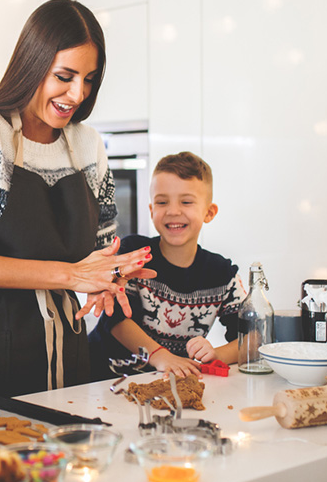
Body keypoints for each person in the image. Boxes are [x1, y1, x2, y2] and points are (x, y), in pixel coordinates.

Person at [0, 0, 154, 397]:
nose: (78, 94)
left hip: (67, 354)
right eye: (65, 76)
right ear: (33, 62)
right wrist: (71, 275)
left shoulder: (87, 144)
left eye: (90, 79)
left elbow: (99, 252)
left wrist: (110, 275)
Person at [88, 151, 244, 379]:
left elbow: (253, 335)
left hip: (165, 382)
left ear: (209, 212)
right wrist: (161, 356)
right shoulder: (133, 253)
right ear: (152, 211)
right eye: (162, 202)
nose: (173, 211)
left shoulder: (222, 274)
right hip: (102, 379)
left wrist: (215, 355)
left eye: (186, 201)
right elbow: (117, 321)